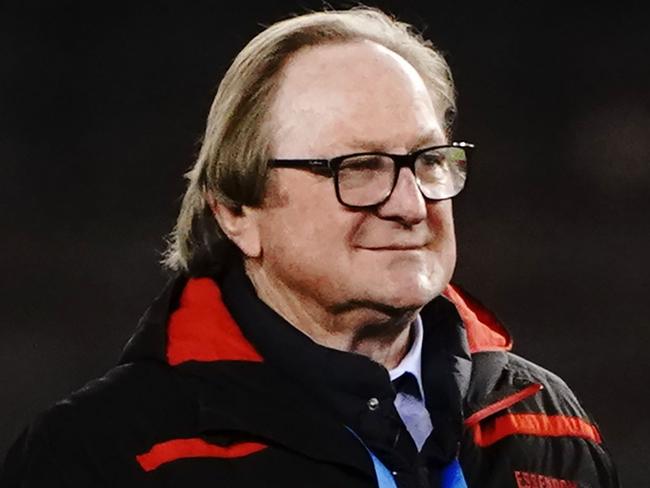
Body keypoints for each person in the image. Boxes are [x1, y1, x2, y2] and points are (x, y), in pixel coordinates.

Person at [1, 7, 619, 488]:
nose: (409, 204)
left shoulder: (546, 419)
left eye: (428, 161)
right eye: (359, 167)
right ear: (237, 212)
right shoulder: (103, 453)